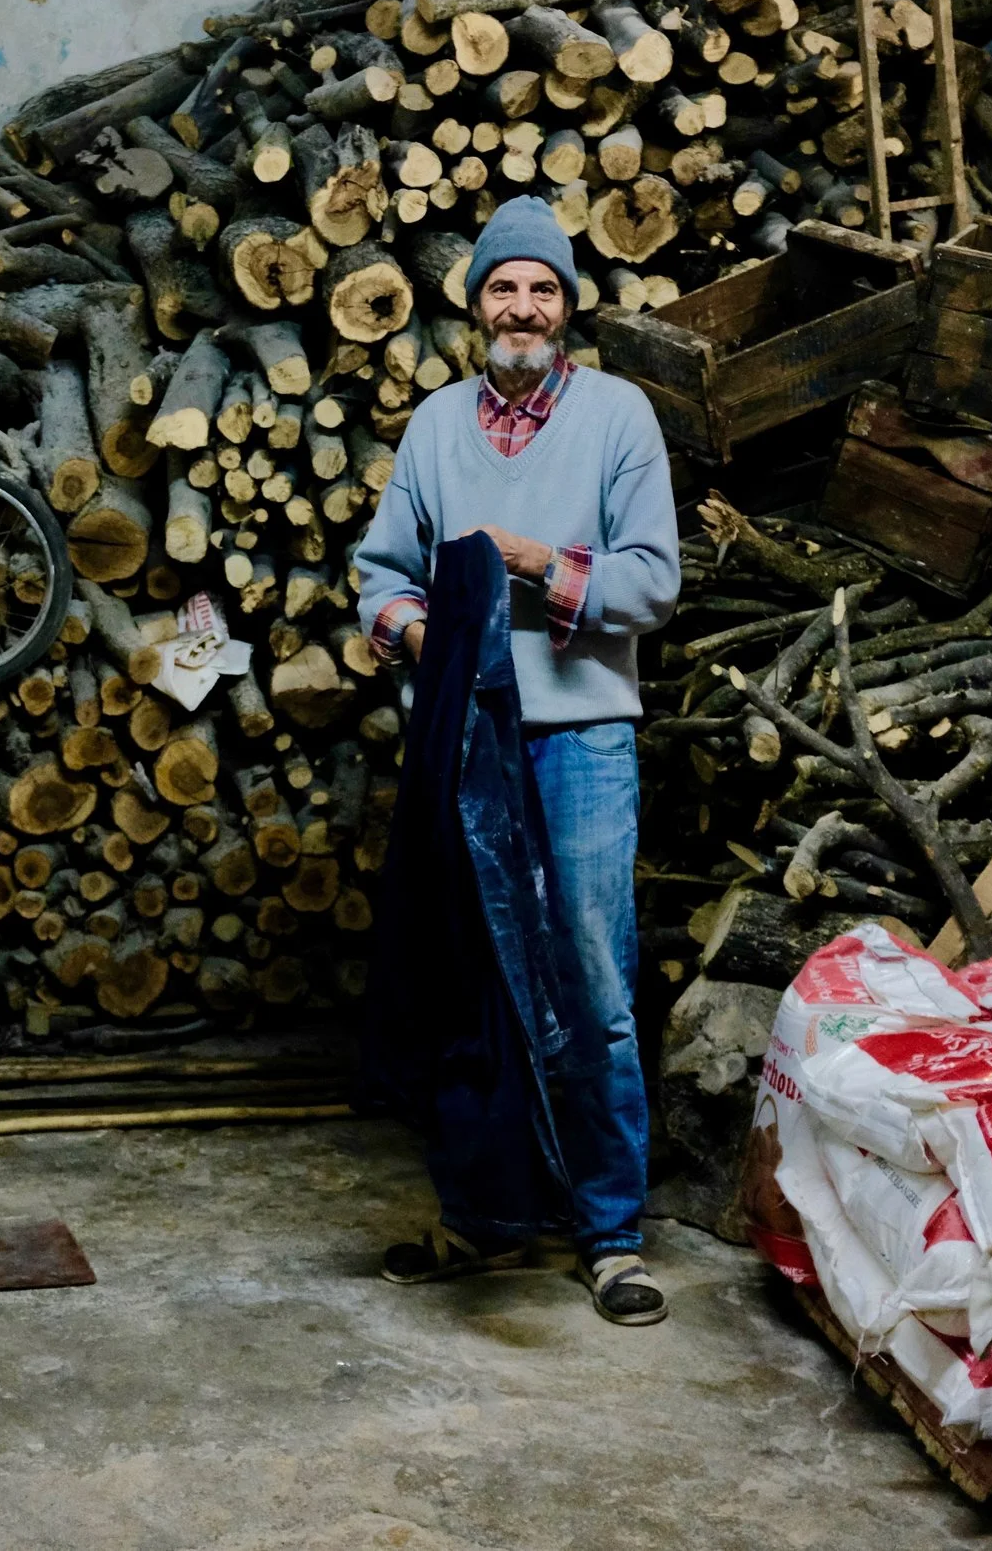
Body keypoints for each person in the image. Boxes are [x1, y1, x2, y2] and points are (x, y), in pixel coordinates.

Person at [351, 194, 681, 1324]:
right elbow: (379, 575)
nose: (523, 307)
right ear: (476, 304)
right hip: (469, 739)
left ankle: (609, 1232)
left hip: (582, 733)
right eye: (504, 286)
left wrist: (534, 561)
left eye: (543, 288)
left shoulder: (619, 417)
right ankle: (482, 1216)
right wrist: (431, 638)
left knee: (592, 980)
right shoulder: (437, 425)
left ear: (568, 307)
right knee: (471, 978)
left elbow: (653, 581)